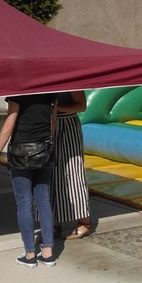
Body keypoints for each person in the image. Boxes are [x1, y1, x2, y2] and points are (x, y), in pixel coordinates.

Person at [0, 92, 80, 268]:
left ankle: (30, 254)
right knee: (44, 202)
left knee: (24, 203)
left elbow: (9, 123)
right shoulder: (50, 93)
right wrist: (48, 143)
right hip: (44, 150)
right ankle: (48, 253)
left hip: (20, 150)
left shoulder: (17, 93)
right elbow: (53, 122)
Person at [52, 91, 94, 240]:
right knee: (49, 174)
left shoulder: (68, 80)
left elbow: (81, 105)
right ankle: (53, 221)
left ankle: (84, 221)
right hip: (45, 122)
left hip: (67, 124)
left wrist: (55, 108)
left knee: (73, 171)